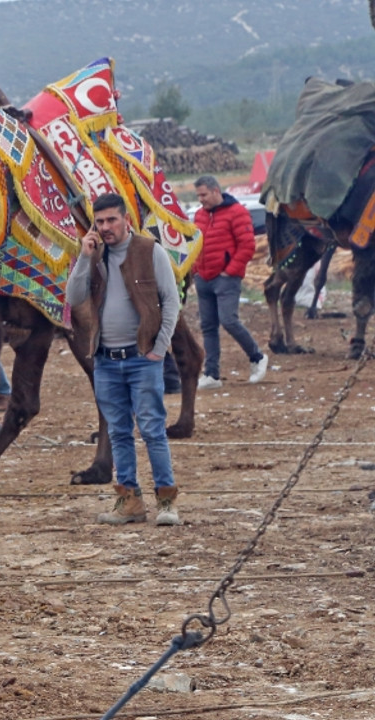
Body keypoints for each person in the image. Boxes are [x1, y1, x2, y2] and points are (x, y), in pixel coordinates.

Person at [66, 193, 181, 525]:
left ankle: (166, 501)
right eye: (99, 222)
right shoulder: (95, 256)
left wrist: (159, 348)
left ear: (126, 219)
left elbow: (170, 302)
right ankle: (129, 501)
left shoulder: (150, 251)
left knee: (152, 430)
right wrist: (84, 258)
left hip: (142, 357)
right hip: (105, 359)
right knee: (118, 431)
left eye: (111, 220)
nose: (105, 228)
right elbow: (74, 298)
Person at [192, 176, 268, 389]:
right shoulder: (199, 215)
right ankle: (212, 374)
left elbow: (247, 246)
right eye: (198, 195)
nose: (201, 200)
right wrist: (195, 270)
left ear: (216, 191)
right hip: (204, 278)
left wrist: (230, 271)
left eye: (204, 195)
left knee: (229, 320)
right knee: (208, 326)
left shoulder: (237, 212)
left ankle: (257, 357)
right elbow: (195, 243)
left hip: (225, 278)